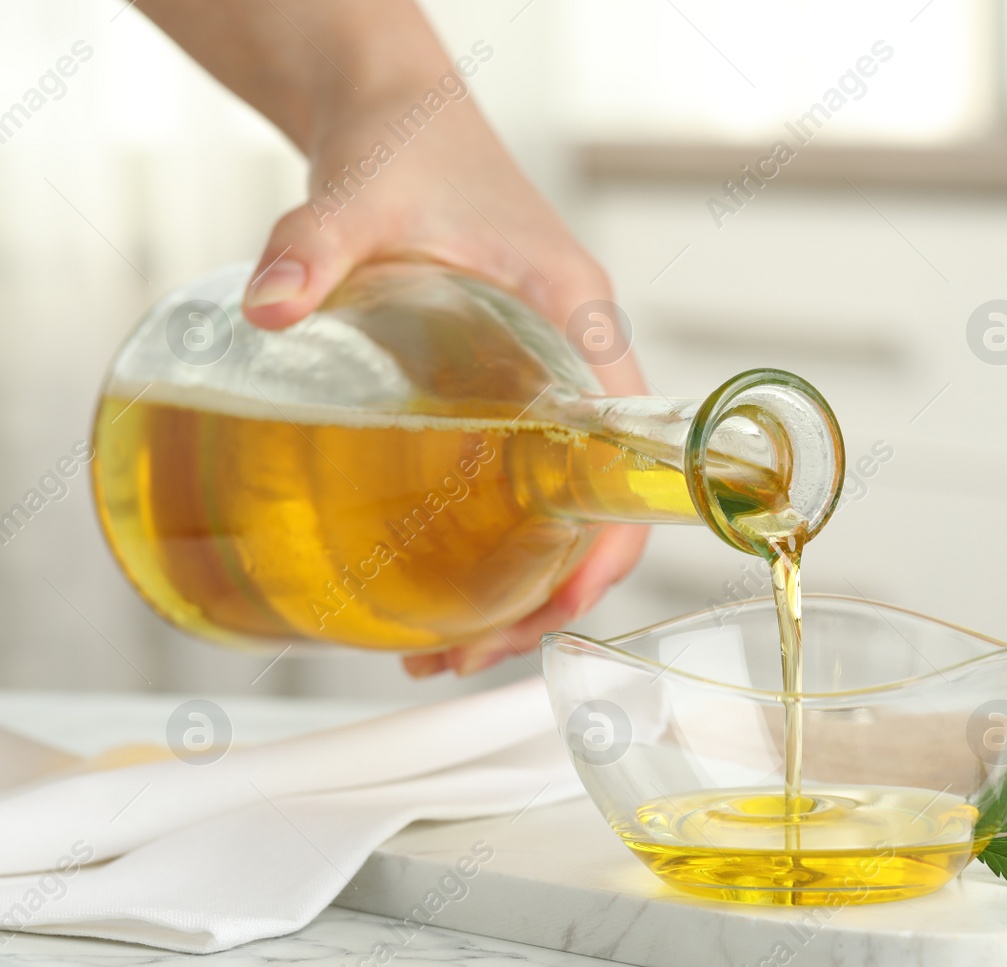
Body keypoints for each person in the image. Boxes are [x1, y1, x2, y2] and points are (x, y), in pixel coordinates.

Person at [143, 0, 647, 678]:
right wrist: (395, 94)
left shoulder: (531, 552)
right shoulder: (537, 362)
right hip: (166, 398)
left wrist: (394, 92)